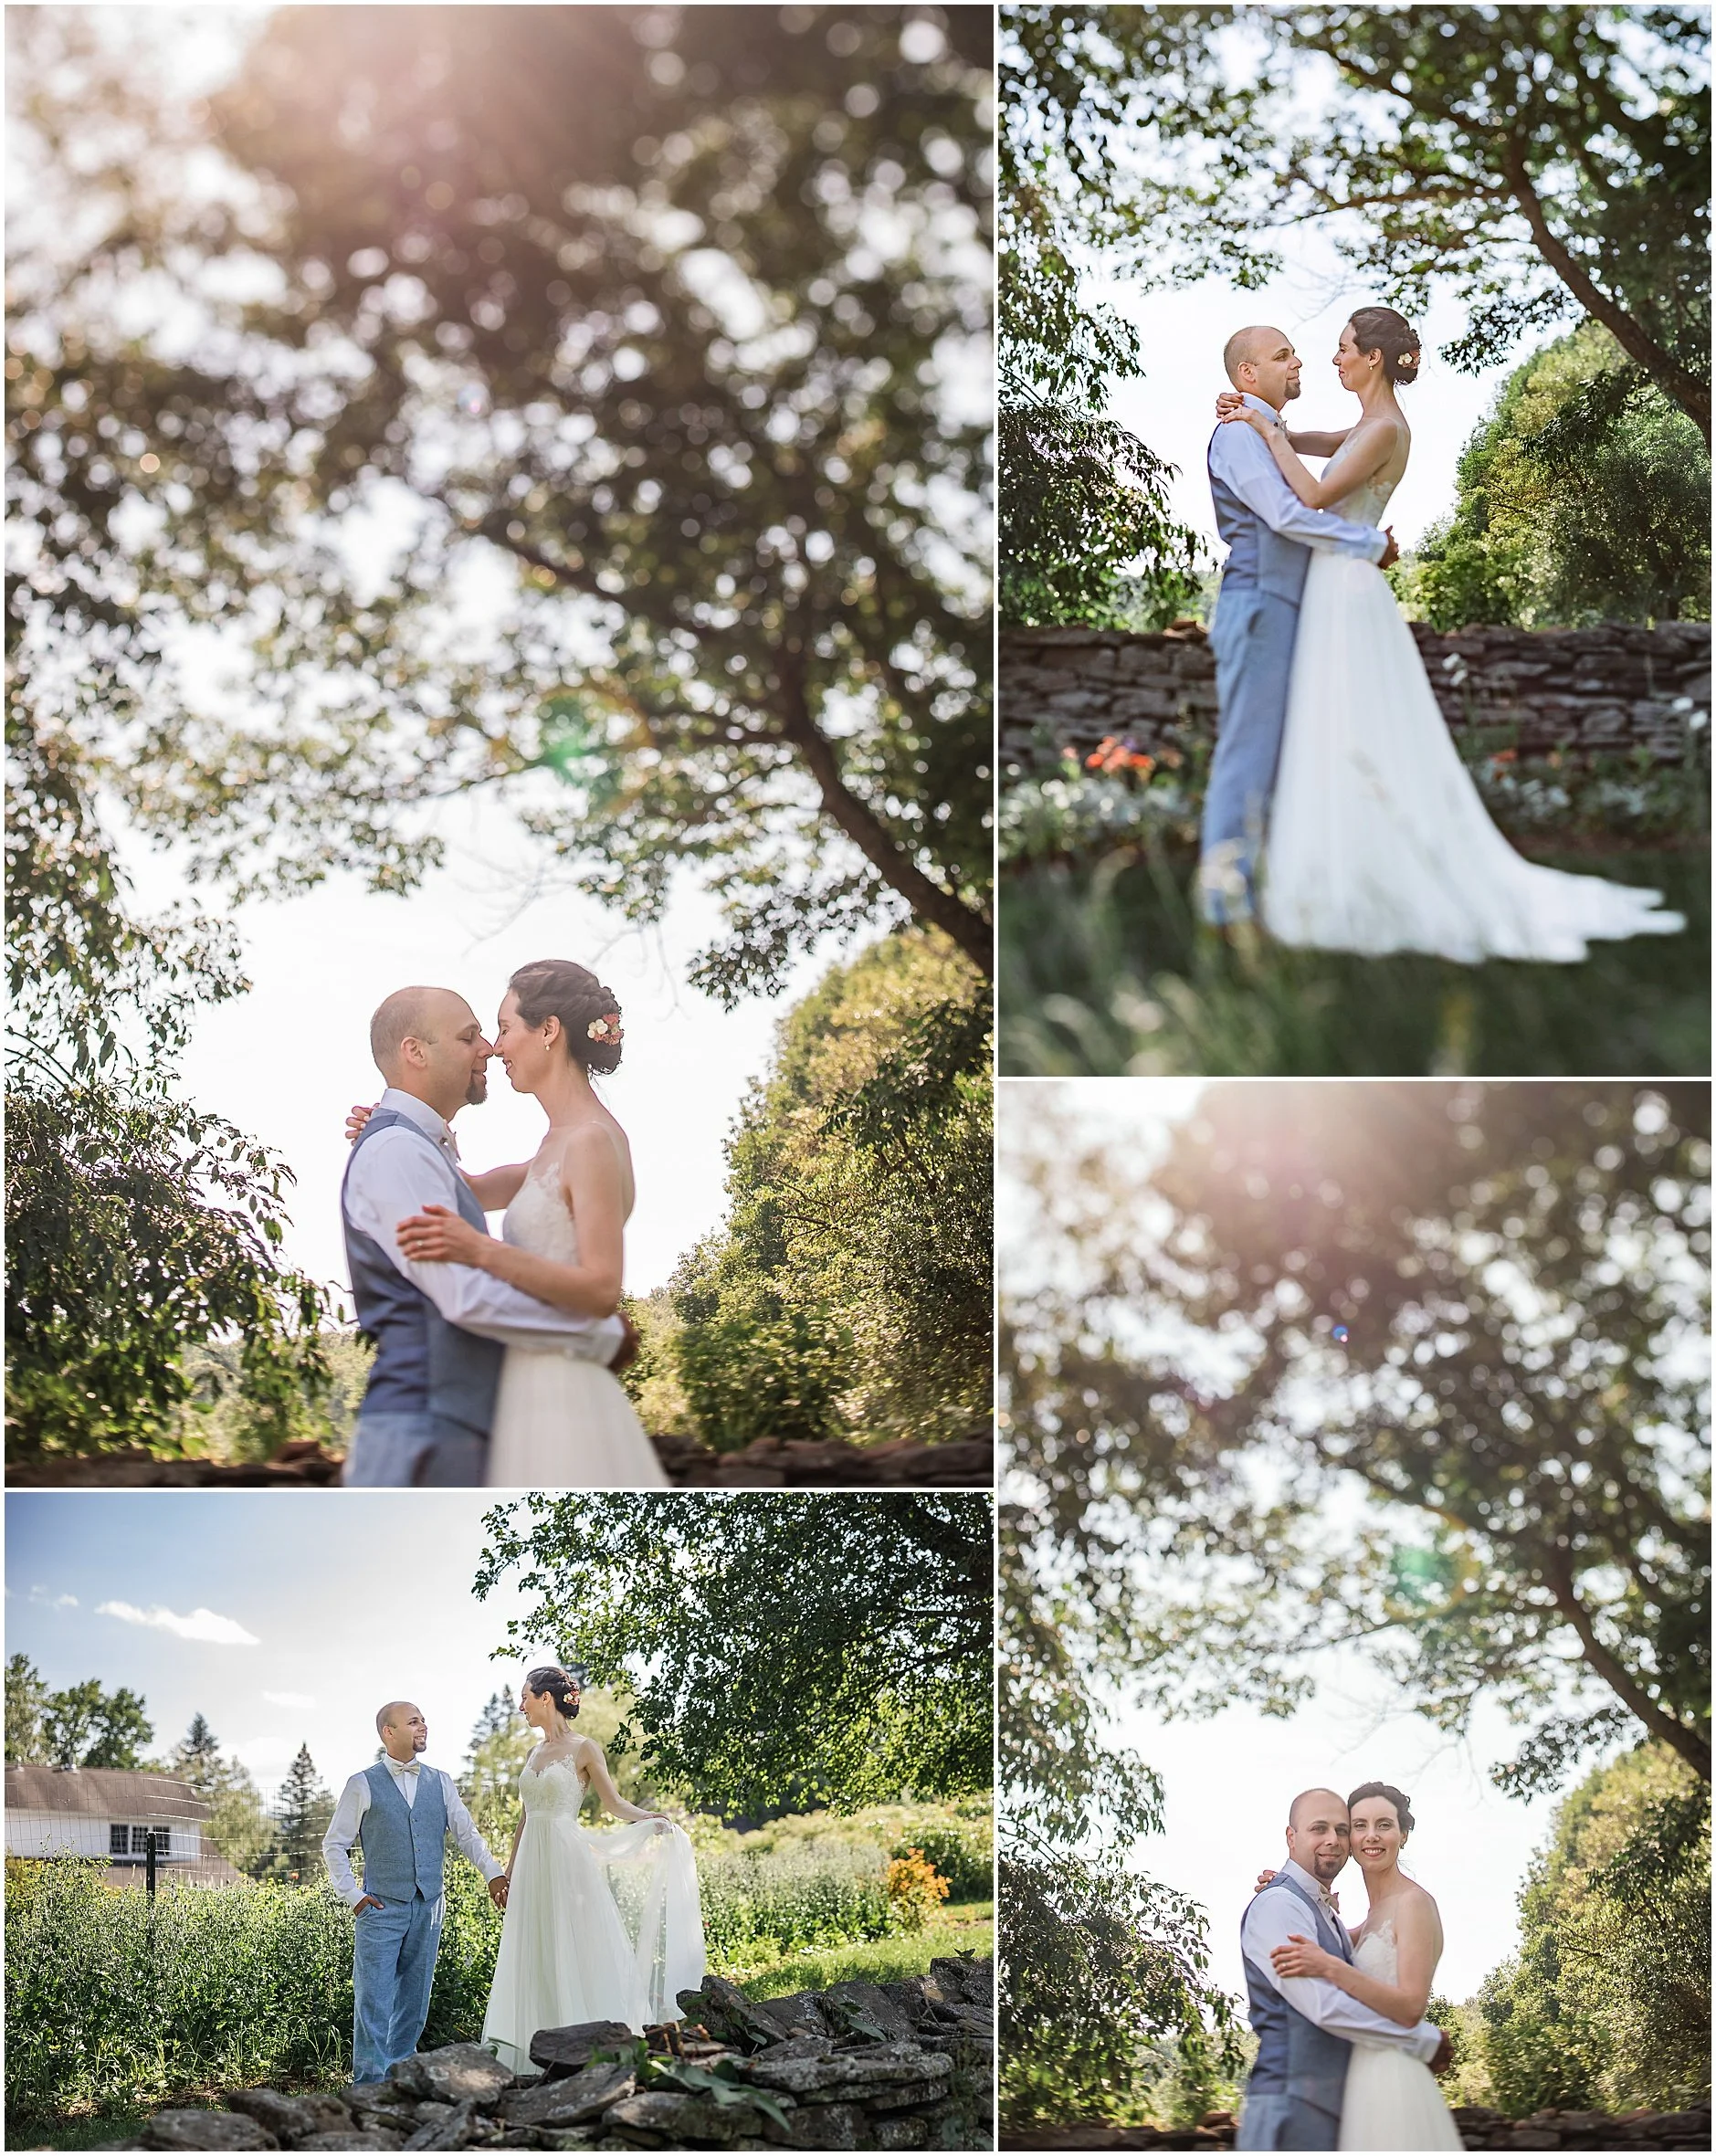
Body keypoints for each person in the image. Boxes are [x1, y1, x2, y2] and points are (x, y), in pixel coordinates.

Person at [1216, 305, 1684, 960]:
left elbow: (1310, 502)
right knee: (1334, 726)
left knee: (1353, 725)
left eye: (1343, 347)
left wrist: (1265, 437)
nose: (1332, 358)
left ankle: (1361, 871)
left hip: (1345, 589)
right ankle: (1339, 862)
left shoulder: (1383, 429)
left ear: (1372, 358)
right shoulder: (1366, 426)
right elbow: (1321, 440)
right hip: (1334, 586)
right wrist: (1264, 418)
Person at [353, 962, 669, 1489]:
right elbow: (460, 1187)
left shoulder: (591, 1143)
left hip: (563, 1394)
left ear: (547, 1031)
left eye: (502, 1029)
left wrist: (481, 1252)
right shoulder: (555, 1147)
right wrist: (393, 1122)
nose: (495, 1049)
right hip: (522, 1388)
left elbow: (600, 1289)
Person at [1199, 322, 1400, 926]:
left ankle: (1266, 892)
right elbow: (1286, 516)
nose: (1299, 362)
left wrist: (1274, 427)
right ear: (1247, 376)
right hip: (1260, 602)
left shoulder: (1265, 430)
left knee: (1284, 755)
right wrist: (1364, 543)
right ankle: (1225, 906)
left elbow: (1300, 451)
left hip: (1286, 605)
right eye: (1282, 355)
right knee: (1248, 754)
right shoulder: (1237, 435)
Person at [480, 1665, 705, 2070]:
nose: (521, 1706)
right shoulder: (533, 1753)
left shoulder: (584, 1749)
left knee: (575, 1943)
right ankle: (539, 2052)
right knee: (536, 1946)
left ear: (545, 1698)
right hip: (532, 1863)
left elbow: (614, 1803)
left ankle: (590, 2048)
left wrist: (650, 1818)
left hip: (566, 1859)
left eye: (525, 1697)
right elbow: (525, 1819)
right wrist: (509, 1875)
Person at [1237, 1786, 1454, 2151]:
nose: (1369, 1835)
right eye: (1358, 1826)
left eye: (1384, 1824)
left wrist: (1330, 1965)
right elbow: (1326, 1974)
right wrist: (1286, 1889)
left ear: (1403, 1834)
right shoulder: (1348, 1918)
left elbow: (1408, 2004)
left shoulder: (1413, 1903)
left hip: (1390, 2079)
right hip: (1327, 2094)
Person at [321, 1700, 510, 2086]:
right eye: (413, 1722)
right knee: (373, 2000)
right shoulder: (362, 1783)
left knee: (414, 2000)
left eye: (424, 1720)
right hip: (380, 1907)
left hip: (429, 1906)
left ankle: (401, 2078)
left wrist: (494, 1873)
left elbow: (466, 1834)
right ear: (389, 1732)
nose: (423, 1726)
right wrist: (353, 1895)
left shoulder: (440, 1781)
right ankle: (369, 2086)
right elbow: (333, 1845)